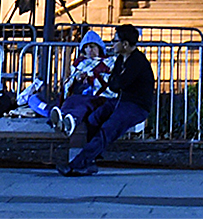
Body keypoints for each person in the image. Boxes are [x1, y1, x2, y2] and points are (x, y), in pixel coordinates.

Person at [57, 23, 155, 177]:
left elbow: (119, 83)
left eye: (115, 40)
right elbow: (114, 84)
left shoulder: (137, 62)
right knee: (94, 118)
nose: (112, 44)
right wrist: (117, 82)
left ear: (125, 44)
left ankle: (78, 164)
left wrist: (117, 82)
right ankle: (91, 159)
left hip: (136, 106)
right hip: (121, 101)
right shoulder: (120, 60)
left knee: (108, 129)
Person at [49, 30, 112, 136]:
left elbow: (109, 80)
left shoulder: (108, 62)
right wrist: (77, 78)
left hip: (97, 96)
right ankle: (64, 119)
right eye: (86, 47)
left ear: (99, 48)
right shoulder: (79, 63)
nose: (89, 50)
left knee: (82, 104)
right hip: (80, 93)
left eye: (92, 46)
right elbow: (69, 80)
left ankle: (69, 120)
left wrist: (92, 77)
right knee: (72, 101)